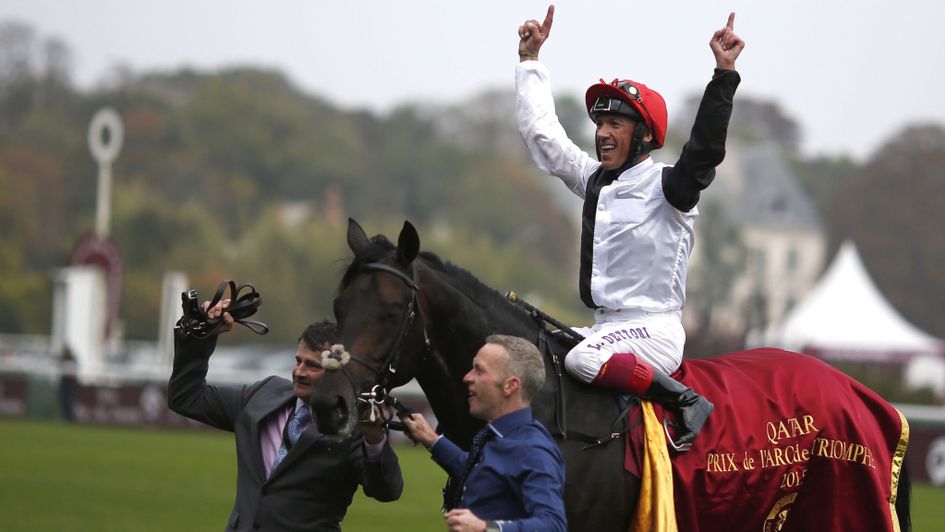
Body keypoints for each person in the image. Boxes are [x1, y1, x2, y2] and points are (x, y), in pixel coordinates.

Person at [515, 5, 745, 447]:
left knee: (581, 361)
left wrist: (724, 73)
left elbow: (704, 152)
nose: (602, 131)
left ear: (642, 136)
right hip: (605, 328)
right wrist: (530, 62)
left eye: (615, 123)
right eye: (600, 122)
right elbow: (544, 139)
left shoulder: (670, 188)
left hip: (654, 331)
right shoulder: (595, 181)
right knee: (532, 353)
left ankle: (686, 401)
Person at [168, 300, 403, 532]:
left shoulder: (354, 426)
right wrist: (203, 335)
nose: (299, 372)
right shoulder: (263, 394)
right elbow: (187, 397)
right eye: (298, 361)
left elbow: (386, 490)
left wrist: (374, 439)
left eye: (312, 366)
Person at [403, 335, 566, 532]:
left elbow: (553, 525)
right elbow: (478, 472)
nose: (467, 377)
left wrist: (486, 528)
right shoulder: (500, 435)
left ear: (510, 386)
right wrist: (431, 439)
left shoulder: (532, 449)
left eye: (479, 370)